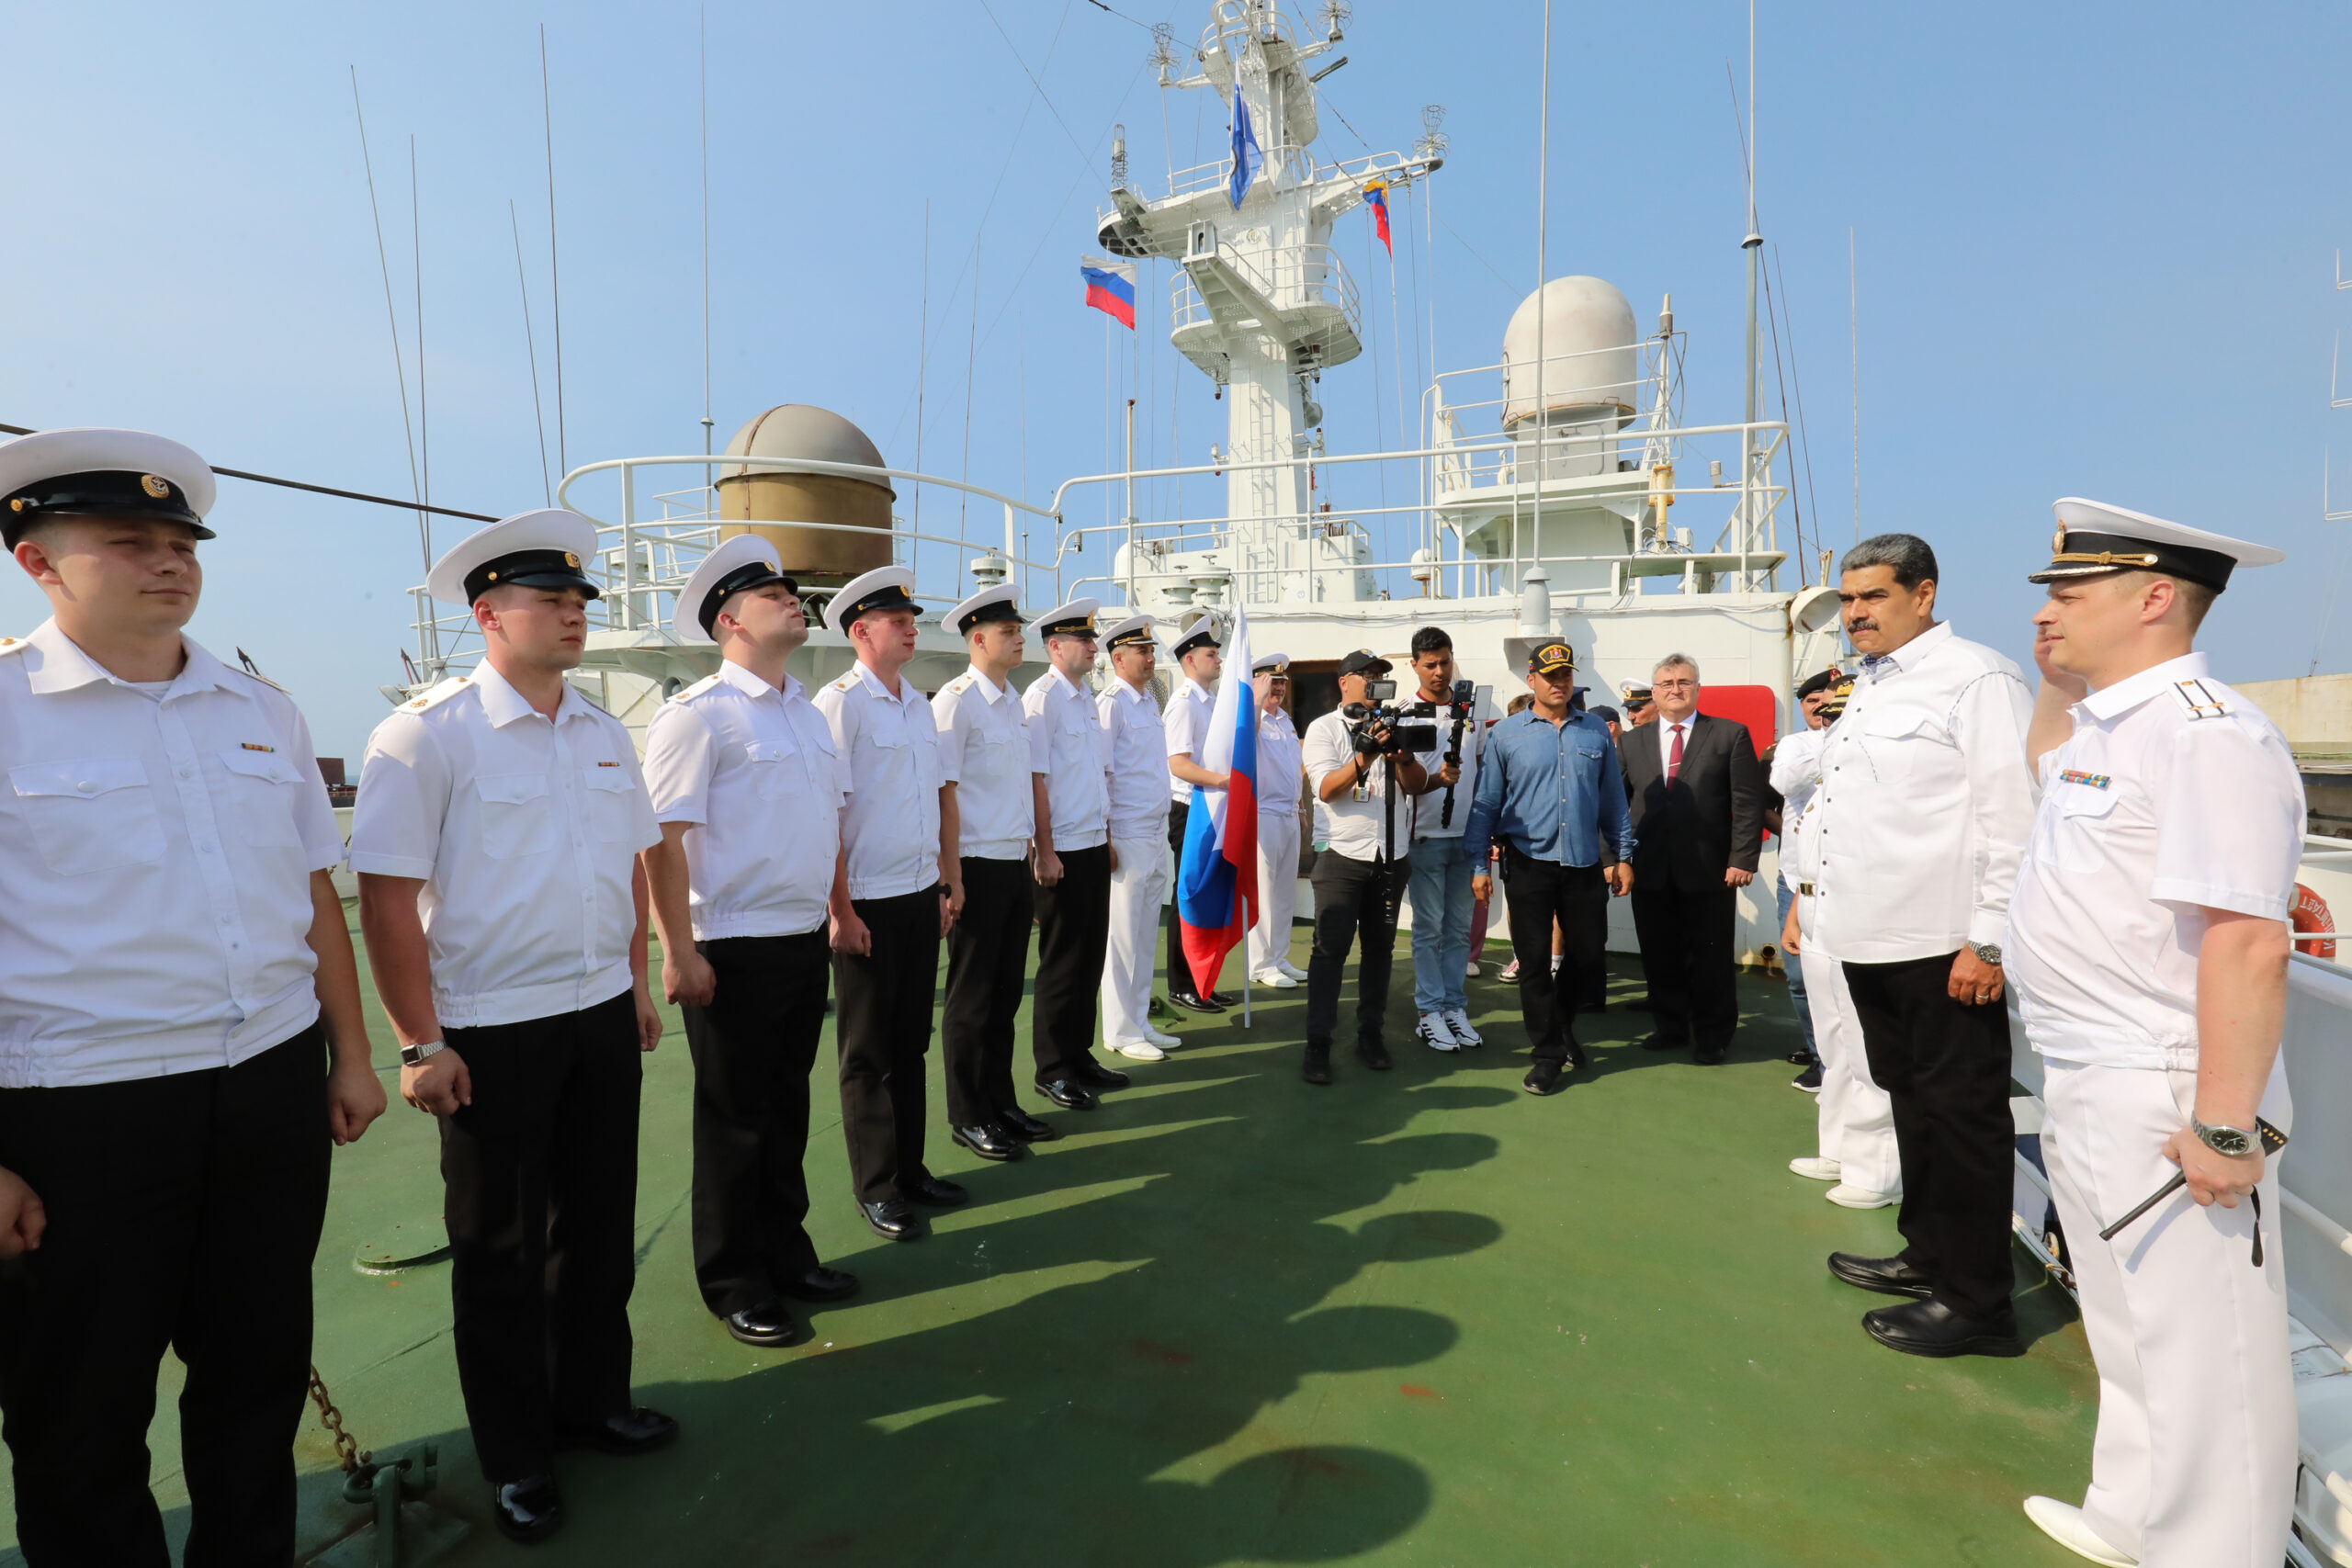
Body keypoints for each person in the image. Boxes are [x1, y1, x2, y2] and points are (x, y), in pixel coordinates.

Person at [0, 427, 385, 1566]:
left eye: (183, 542)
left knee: (255, 1373)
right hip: (80, 1112)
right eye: (131, 542)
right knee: (80, 1412)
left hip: (267, 1089)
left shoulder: (260, 712)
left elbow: (313, 897)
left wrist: (351, 1054)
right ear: (39, 561)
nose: (170, 562)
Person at [353, 508, 672, 1543]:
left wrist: (636, 975)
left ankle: (590, 1403)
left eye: (582, 600)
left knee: (595, 1228)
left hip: (591, 1015)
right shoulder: (427, 734)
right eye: (553, 601)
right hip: (488, 1030)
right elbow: (390, 898)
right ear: (488, 615)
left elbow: (625, 863)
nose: (575, 614)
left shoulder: (600, 729)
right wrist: (419, 1039)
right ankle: (516, 1454)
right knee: (498, 1252)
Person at [2007, 501, 2301, 1568]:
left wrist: (2224, 1125)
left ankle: (2217, 1553)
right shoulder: (2110, 728)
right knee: (2131, 1323)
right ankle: (2129, 1516)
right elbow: (2046, 762)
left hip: (2170, 1080)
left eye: (2068, 595)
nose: (2046, 614)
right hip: (2088, 1069)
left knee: (2207, 1350)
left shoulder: (2205, 732)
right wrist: (2057, 674)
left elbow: (2245, 941)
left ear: (2152, 597)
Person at [1808, 533, 2036, 1359]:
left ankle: (1979, 1303)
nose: (1856, 613)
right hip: (1872, 939)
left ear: (1924, 593)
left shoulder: (1976, 677)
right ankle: (1931, 1255)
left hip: (1944, 949)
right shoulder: (1869, 685)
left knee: (1963, 1119)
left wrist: (1991, 939)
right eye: (1848, 599)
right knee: (1914, 1106)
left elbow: (2013, 816)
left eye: (1873, 597)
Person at [640, 536, 858, 1352]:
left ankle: (786, 1253)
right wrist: (677, 948)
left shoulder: (805, 712)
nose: (791, 598)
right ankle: (734, 1280)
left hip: (800, 940)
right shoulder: (697, 716)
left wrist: (835, 911)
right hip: (729, 946)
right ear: (729, 620)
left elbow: (826, 821)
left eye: (790, 590)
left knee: (787, 1110)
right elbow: (661, 841)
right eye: (773, 594)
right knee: (734, 1121)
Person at [812, 566, 967, 1244]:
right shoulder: (840, 704)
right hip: (868, 901)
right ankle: (877, 1186)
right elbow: (829, 812)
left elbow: (934, 799)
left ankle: (910, 1169)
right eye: (897, 619)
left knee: (911, 1041)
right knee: (868, 1051)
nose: (911, 626)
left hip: (914, 893)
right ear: (860, 630)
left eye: (912, 617)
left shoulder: (915, 704)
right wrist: (840, 910)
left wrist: (944, 880)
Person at [1462, 641, 1635, 1095]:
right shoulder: (1506, 735)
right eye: (1550, 675)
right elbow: (1485, 804)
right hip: (1528, 863)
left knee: (1589, 953)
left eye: (1566, 675)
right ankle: (1547, 1054)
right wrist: (1479, 864)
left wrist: (1622, 856)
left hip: (1583, 864)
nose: (1559, 683)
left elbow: (1614, 801)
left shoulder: (1596, 731)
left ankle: (1560, 1025)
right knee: (1534, 962)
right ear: (1531, 680)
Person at [933, 585, 1050, 1164]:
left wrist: (1032, 851)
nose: (1019, 638)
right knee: (972, 996)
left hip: (1011, 861)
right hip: (975, 862)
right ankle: (968, 1113)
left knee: (1005, 994)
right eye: (1009, 633)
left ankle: (1001, 1102)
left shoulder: (1011, 701)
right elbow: (944, 794)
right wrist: (949, 877)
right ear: (978, 640)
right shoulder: (956, 702)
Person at [1779, 675, 1903, 1211]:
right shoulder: (1822, 770)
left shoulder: (1879, 774)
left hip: (1858, 913)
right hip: (1814, 911)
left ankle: (1877, 1171)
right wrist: (1796, 914)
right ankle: (1839, 1149)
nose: (1832, 722)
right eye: (1827, 714)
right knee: (1832, 1043)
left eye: (1844, 714)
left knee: (1863, 1044)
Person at [1619, 654, 1765, 1065]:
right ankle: (1670, 1027)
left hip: (1710, 869)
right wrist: (1615, 857)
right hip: (1649, 867)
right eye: (1666, 683)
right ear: (1656, 691)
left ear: (1697, 688)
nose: (1675, 689)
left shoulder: (1728, 735)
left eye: (1684, 682)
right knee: (1659, 953)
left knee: (1710, 956)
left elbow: (1747, 803)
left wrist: (1743, 859)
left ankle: (1712, 1034)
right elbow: (1614, 803)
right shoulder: (1632, 741)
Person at [1297, 649, 1430, 1084]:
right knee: (1329, 951)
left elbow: (1418, 786)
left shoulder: (1397, 725)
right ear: (1344, 682)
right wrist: (1365, 755)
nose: (1375, 683)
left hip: (1391, 853)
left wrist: (1400, 756)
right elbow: (1326, 788)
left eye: (1380, 677)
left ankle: (1370, 1033)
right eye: (1367, 676)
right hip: (1340, 854)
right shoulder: (1324, 728)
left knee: (1380, 949)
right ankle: (1319, 1041)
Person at [1022, 600, 1133, 1105]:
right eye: (1084, 641)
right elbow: (1036, 781)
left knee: (1090, 955)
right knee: (1062, 961)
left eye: (1093, 640)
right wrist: (1043, 851)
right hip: (1060, 848)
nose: (1093, 648)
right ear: (1055, 647)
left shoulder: (1085, 697)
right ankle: (1053, 1067)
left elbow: (1097, 777)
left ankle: (1080, 1053)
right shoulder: (1041, 699)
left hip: (1091, 842)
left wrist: (1106, 838)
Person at [1098, 615, 1183, 1063]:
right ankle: (1119, 1029)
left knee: (1147, 931)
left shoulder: (1149, 702)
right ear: (1118, 658)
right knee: (1124, 937)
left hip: (1153, 831)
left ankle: (1140, 1020)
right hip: (1127, 833)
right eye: (1142, 652)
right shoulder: (1111, 704)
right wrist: (1107, 837)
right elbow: (1103, 774)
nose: (1151, 658)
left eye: (1151, 651)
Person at [1404, 626, 1487, 1051]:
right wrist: (1437, 780)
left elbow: (1479, 767)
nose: (1439, 671)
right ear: (1414, 665)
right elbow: (1404, 781)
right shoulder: (1403, 713)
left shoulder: (1470, 711)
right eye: (1430, 664)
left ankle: (1454, 1007)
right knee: (1427, 929)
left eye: (1445, 661)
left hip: (1466, 839)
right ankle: (1429, 1011)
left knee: (1457, 930)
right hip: (1425, 838)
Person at [1771, 669, 1840, 1089]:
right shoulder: (1796, 744)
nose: (1821, 708)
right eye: (1813, 701)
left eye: (1829, 700)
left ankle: (1843, 1056)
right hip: (1798, 877)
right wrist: (1832, 743)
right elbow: (1782, 782)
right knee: (1799, 976)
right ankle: (1820, 1055)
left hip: (1849, 877)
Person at [1162, 611, 1232, 1011]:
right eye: (1211, 653)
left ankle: (1203, 980)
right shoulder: (1185, 704)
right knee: (1187, 895)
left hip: (1209, 808)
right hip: (1190, 809)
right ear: (1190, 659)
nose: (1217, 659)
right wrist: (1224, 781)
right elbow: (1179, 763)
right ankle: (1181, 983)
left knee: (1206, 896)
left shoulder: (1210, 703)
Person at [1246, 651, 1309, 987]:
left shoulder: (1285, 721)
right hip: (1263, 815)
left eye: (1282, 683)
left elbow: (1291, 769)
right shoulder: (1253, 718)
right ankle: (1260, 963)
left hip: (1287, 813)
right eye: (1273, 683)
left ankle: (1279, 957)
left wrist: (1300, 807)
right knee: (1264, 891)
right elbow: (1245, 742)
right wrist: (1256, 701)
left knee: (1285, 892)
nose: (1279, 689)